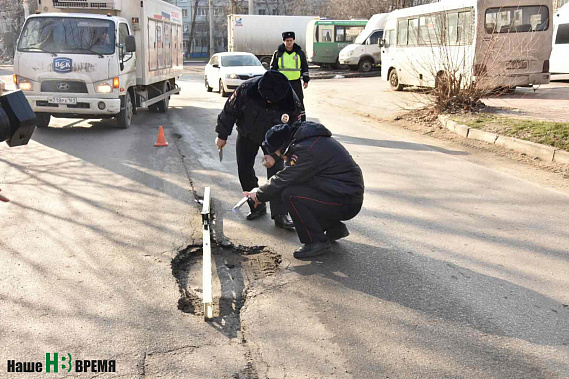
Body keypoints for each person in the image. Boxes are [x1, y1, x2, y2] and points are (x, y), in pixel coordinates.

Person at [244, 121, 364, 259]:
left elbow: (284, 178)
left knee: (291, 195)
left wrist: (259, 195)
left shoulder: (305, 150)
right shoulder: (307, 140)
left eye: (276, 152)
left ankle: (316, 241)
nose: (278, 156)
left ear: (281, 146)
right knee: (298, 189)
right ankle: (333, 228)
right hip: (343, 195)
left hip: (346, 201)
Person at [216, 70, 302, 229]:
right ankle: (256, 205)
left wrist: (277, 153)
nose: (269, 103)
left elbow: (295, 131)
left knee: (277, 175)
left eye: (273, 101)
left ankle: (280, 214)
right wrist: (222, 135)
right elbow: (229, 111)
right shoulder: (246, 90)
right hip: (247, 133)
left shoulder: (291, 101)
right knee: (244, 168)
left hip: (275, 140)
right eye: (266, 100)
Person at [270, 31, 310, 121]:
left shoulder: (299, 53)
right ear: (284, 41)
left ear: (294, 40)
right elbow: (273, 68)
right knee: (280, 101)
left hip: (295, 82)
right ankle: (280, 119)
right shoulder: (278, 53)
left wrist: (306, 80)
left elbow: (304, 67)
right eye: (287, 40)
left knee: (299, 101)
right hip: (282, 83)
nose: (289, 42)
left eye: (290, 40)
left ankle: (302, 121)